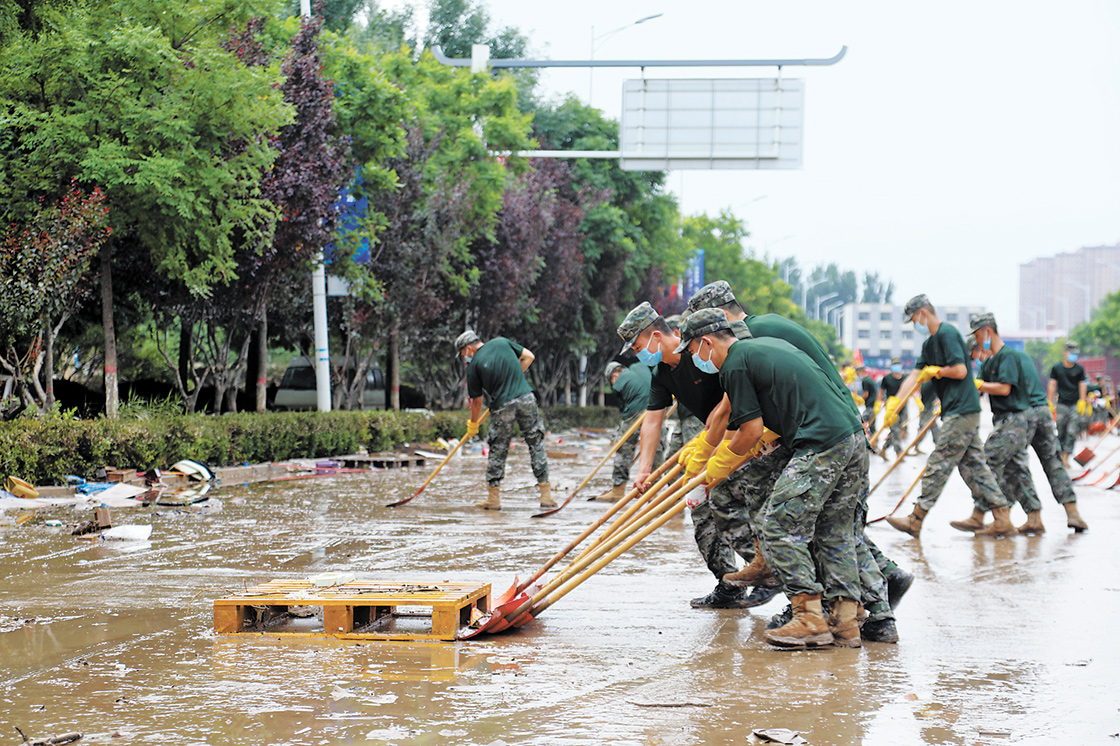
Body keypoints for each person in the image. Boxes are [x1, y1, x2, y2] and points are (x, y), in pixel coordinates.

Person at [685, 281, 904, 643]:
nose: (697, 358)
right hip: (849, 437)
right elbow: (772, 411)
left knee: (777, 526)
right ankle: (846, 621)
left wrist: (711, 474)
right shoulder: (761, 347)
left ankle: (809, 617)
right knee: (834, 531)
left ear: (706, 341)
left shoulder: (736, 363)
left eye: (693, 349)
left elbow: (749, 430)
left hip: (821, 443)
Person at [617, 302, 777, 610]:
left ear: (657, 336)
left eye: (638, 346)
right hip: (715, 437)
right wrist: (644, 471)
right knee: (702, 514)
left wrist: (711, 454)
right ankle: (729, 583)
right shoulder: (661, 372)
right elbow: (653, 420)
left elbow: (728, 407)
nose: (638, 353)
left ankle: (766, 575)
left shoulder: (705, 353)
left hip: (744, 439)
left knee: (735, 508)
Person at [884, 295, 1015, 537]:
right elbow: (914, 375)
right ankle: (1001, 516)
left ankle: (916, 518)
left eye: (914, 318)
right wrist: (894, 404)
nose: (915, 324)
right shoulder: (929, 345)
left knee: (939, 461)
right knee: (974, 467)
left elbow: (960, 370)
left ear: (923, 313)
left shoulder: (948, 334)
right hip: (957, 410)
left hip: (962, 409)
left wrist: (938, 371)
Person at [965, 315, 1088, 533]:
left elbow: (1003, 390)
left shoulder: (1000, 360)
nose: (976, 359)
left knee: (1010, 463)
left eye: (975, 353)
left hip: (1022, 415)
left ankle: (996, 515)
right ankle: (1071, 513)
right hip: (1040, 410)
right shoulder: (1019, 356)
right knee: (1052, 461)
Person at [456, 330, 555, 511]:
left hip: (503, 406)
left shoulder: (474, 365)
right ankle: (546, 495)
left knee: (498, 449)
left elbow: (477, 401)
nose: (464, 357)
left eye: (463, 353)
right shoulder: (502, 342)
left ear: (468, 348)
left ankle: (493, 498)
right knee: (536, 444)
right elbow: (529, 356)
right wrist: (515, 374)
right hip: (526, 398)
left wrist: (473, 424)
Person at [596, 361, 651, 502]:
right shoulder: (641, 366)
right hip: (657, 407)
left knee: (624, 447)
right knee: (654, 447)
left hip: (636, 410)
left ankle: (618, 489)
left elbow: (623, 407)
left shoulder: (620, 380)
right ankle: (654, 491)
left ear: (614, 375)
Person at [1048, 341, 1087, 468]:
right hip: (1062, 404)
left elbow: (1082, 384)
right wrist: (1049, 401)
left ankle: (1066, 456)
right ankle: (1059, 454)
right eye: (1072, 353)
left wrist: (1082, 400)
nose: (1074, 356)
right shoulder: (1057, 368)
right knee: (1061, 429)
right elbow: (1052, 384)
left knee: (1072, 430)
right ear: (1065, 353)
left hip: (1075, 404)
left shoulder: (1079, 369)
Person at [877, 358, 907, 460]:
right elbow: (881, 391)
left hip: (903, 406)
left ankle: (883, 449)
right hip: (891, 407)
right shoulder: (887, 378)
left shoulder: (905, 378)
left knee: (896, 430)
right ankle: (898, 452)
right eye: (894, 365)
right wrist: (879, 403)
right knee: (895, 428)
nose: (896, 367)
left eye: (898, 364)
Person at [914, 378, 940, 453]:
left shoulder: (929, 381)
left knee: (932, 428)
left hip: (929, 408)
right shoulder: (930, 382)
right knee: (926, 428)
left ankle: (938, 446)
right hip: (927, 409)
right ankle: (915, 445)